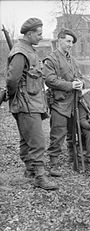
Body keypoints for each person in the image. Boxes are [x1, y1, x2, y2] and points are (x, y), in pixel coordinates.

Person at [6, 18, 58, 190]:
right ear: (29, 34)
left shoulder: (29, 50)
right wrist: (16, 98)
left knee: (26, 138)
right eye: (39, 34)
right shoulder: (21, 52)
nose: (41, 37)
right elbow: (12, 80)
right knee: (37, 141)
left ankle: (30, 170)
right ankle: (40, 177)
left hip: (31, 102)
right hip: (26, 104)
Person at [43, 28, 83, 177]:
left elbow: (80, 76)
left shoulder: (72, 60)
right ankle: (53, 163)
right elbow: (49, 80)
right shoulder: (51, 59)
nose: (70, 44)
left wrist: (80, 83)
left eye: (72, 42)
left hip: (74, 102)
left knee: (73, 132)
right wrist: (70, 85)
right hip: (59, 103)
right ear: (59, 40)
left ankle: (73, 157)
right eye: (67, 41)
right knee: (58, 133)